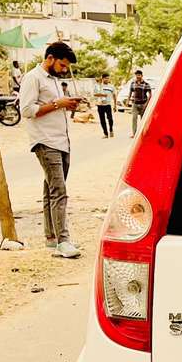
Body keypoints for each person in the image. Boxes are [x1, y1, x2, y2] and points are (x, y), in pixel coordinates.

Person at [18, 41, 82, 259]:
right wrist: (58, 104)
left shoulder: (53, 79)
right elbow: (27, 110)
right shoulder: (33, 78)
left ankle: (52, 238)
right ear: (50, 58)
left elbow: (55, 105)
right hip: (45, 141)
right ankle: (63, 241)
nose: (64, 70)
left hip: (61, 140)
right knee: (59, 191)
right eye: (62, 65)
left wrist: (67, 104)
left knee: (50, 191)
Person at [128, 69, 152, 137]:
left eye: (139, 75)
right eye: (136, 75)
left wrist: (146, 104)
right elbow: (130, 92)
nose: (137, 76)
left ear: (142, 75)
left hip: (143, 104)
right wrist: (128, 100)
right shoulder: (133, 83)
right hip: (135, 104)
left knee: (143, 119)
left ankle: (144, 133)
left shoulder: (146, 84)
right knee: (134, 118)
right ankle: (134, 134)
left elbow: (150, 94)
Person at [94, 72, 117, 138]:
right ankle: (105, 134)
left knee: (110, 119)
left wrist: (115, 105)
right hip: (100, 105)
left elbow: (114, 96)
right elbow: (95, 94)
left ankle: (111, 130)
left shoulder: (111, 86)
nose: (107, 79)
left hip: (108, 105)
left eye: (108, 78)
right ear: (102, 78)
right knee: (102, 120)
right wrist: (102, 95)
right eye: (105, 78)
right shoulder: (98, 86)